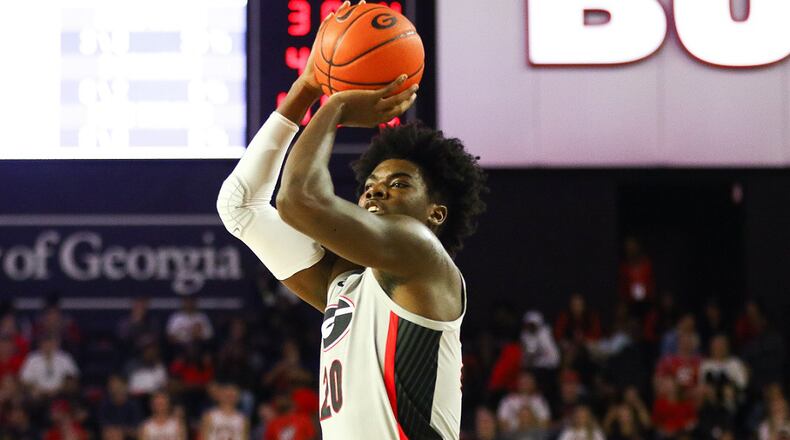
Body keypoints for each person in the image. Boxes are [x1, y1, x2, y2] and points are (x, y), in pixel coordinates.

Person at [216, 1, 486, 438]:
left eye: (399, 183)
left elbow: (298, 198)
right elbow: (240, 207)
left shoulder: (420, 252)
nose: (376, 190)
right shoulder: (346, 286)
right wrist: (305, 87)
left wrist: (335, 105)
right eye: (370, 184)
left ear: (435, 213)